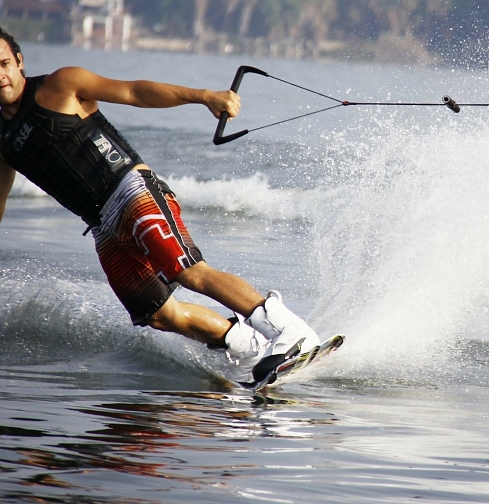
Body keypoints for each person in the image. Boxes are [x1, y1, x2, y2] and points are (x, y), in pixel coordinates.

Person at [0, 27, 319, 388]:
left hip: (132, 191)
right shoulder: (2, 136)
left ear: (20, 62)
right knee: (159, 315)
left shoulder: (61, 85)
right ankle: (249, 347)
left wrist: (204, 97)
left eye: (4, 63)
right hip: (103, 228)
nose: (0, 75)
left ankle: (290, 329)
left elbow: (135, 92)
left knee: (187, 271)